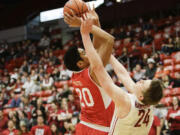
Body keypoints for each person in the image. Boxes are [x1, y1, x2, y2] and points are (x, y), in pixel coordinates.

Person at [80, 15, 163, 135]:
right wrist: (107, 52)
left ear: (141, 96)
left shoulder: (124, 101)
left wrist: (85, 35)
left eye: (142, 83)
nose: (140, 80)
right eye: (144, 80)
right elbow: (123, 74)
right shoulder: (149, 104)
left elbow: (98, 69)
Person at [63, 8, 115, 135]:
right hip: (101, 128)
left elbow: (96, 47)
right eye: (84, 52)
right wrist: (83, 24)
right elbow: (108, 40)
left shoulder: (75, 76)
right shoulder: (93, 71)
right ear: (80, 63)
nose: (88, 52)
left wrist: (95, 23)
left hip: (84, 125)